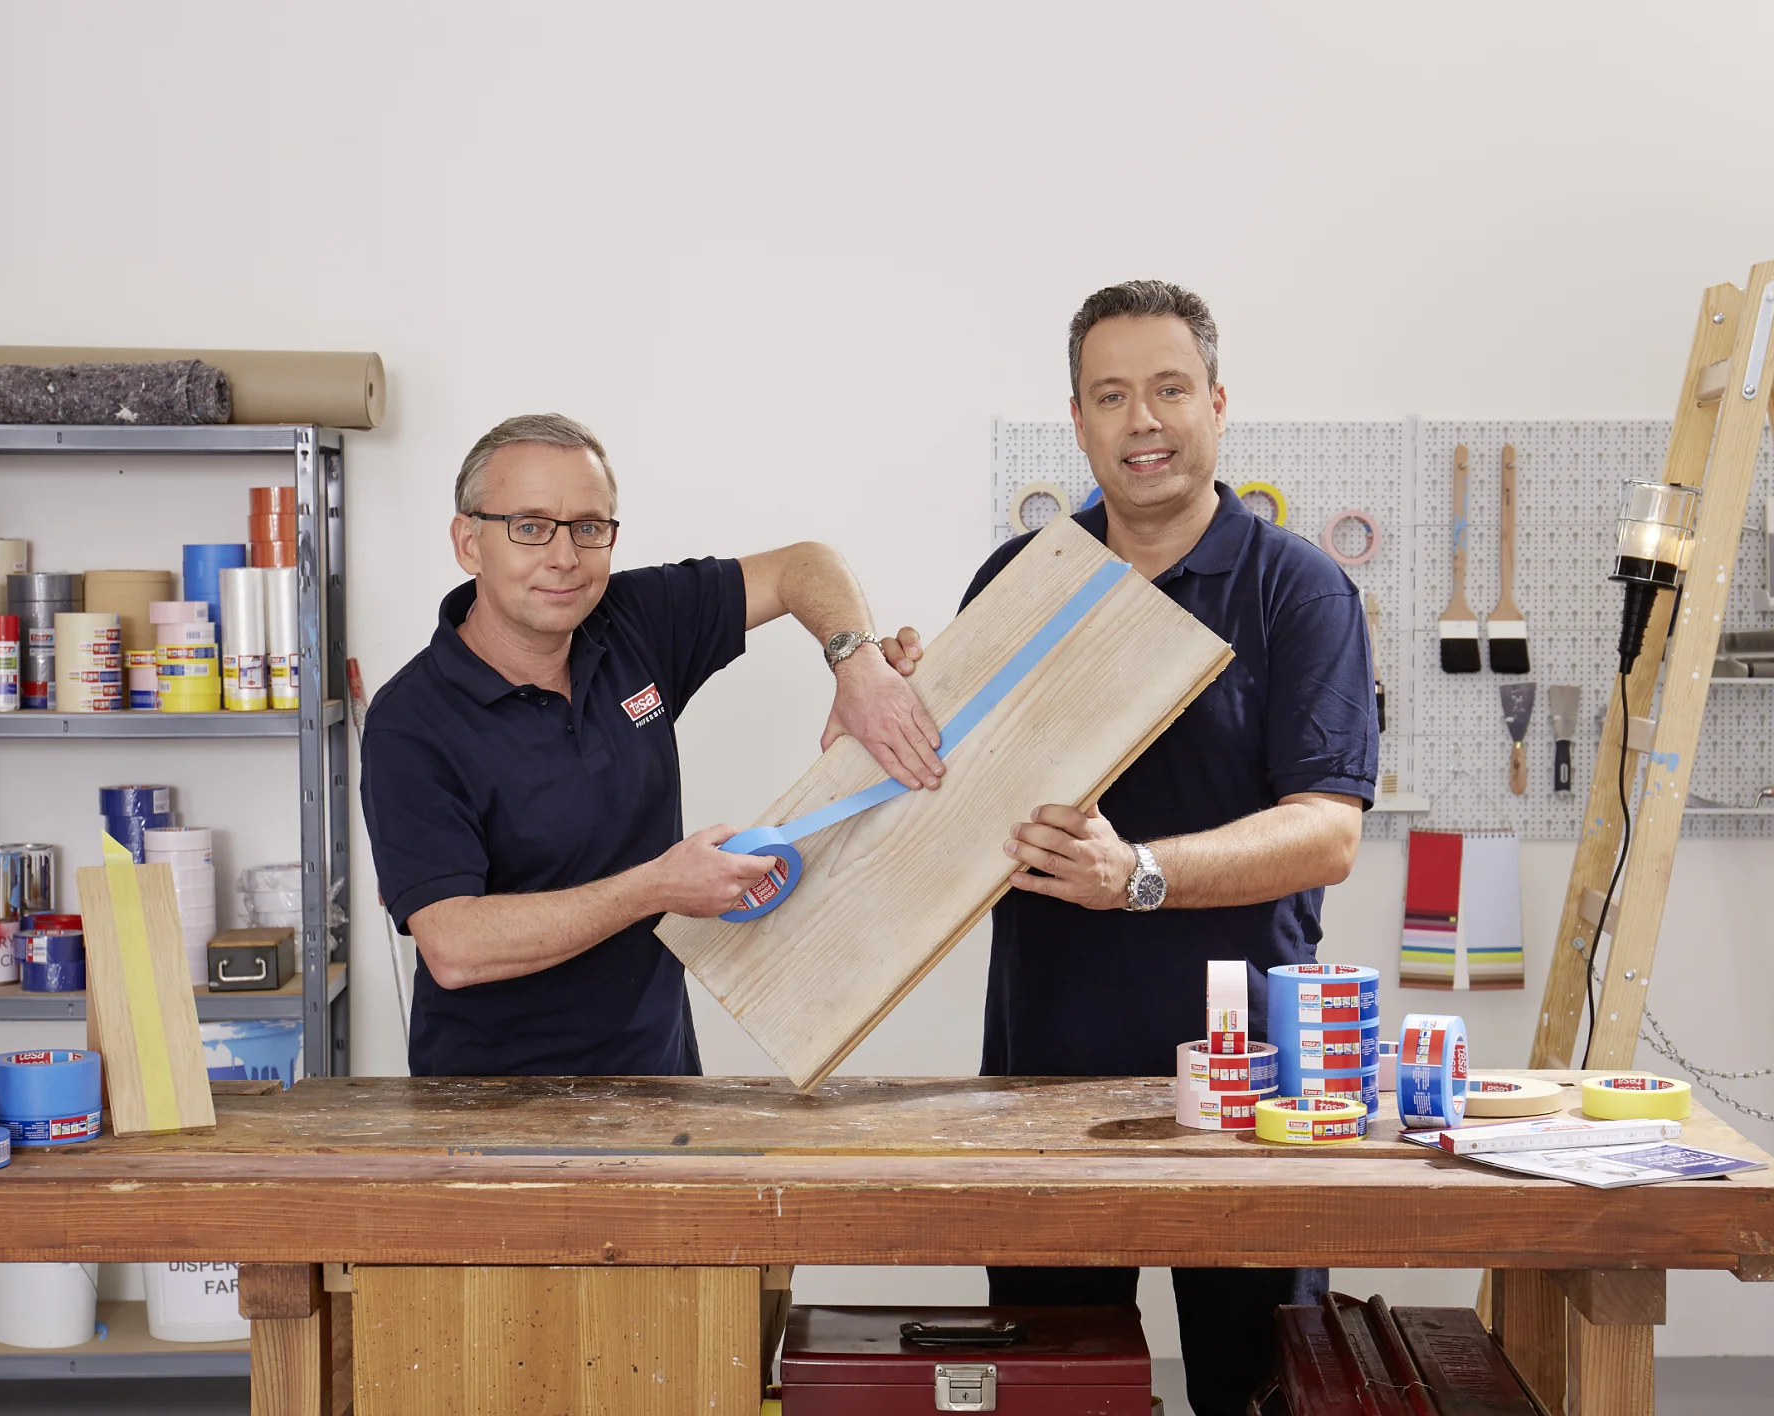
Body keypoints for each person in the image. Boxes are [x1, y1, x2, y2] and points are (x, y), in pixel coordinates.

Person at [888, 281, 1376, 1416]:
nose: (1141, 420)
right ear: (1076, 420)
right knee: (1056, 1393)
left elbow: (1328, 832)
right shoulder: (1023, 582)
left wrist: (1138, 876)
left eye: (1166, 389)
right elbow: (954, 801)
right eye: (1111, 395)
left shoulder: (1294, 590)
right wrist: (887, 707)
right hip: (1043, 1079)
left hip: (1245, 1089)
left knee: (1254, 1392)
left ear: (1215, 403)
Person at [361, 412, 942, 1078]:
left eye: (589, 528)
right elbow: (455, 946)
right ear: (469, 542)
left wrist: (857, 663)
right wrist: (659, 887)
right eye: (529, 527)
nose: (564, 557)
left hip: (658, 1081)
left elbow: (805, 565)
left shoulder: (633, 621)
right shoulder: (411, 721)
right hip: (492, 1110)